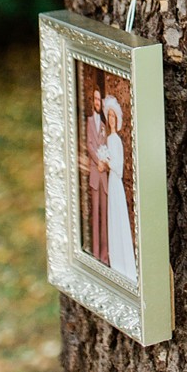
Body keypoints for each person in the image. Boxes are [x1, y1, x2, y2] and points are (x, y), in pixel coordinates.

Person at [100, 94, 137, 283]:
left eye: (114, 116)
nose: (111, 119)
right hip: (110, 180)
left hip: (115, 180)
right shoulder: (108, 139)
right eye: (109, 116)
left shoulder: (115, 140)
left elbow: (119, 167)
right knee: (112, 216)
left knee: (118, 215)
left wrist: (107, 163)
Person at [85, 84, 109, 264]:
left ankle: (105, 254)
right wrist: (98, 161)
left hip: (104, 176)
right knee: (96, 214)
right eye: (95, 99)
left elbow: (106, 147)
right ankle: (95, 254)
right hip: (95, 172)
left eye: (99, 99)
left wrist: (105, 163)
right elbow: (90, 145)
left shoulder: (104, 125)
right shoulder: (89, 122)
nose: (97, 102)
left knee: (105, 214)